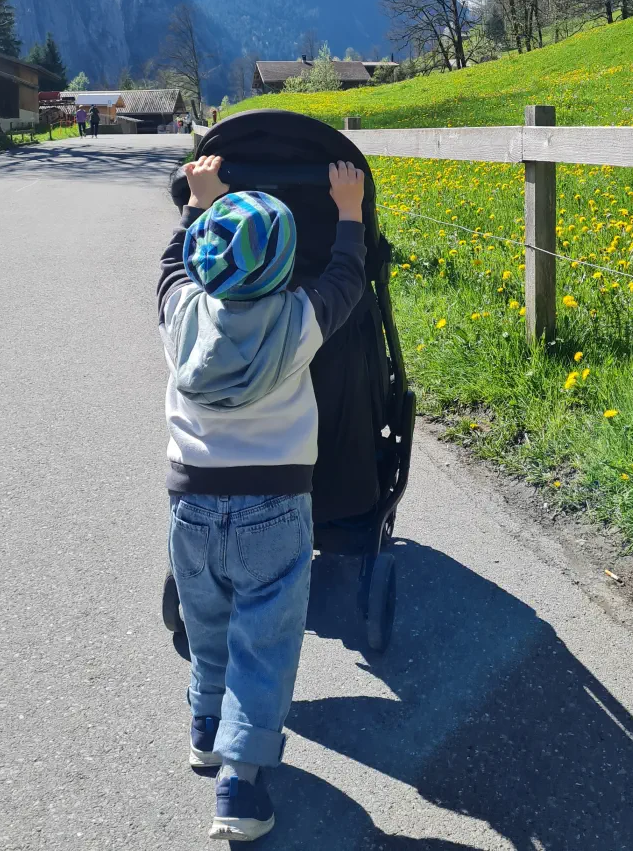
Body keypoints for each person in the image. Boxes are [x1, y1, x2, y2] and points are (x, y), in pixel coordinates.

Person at [157, 153, 366, 842]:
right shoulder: (297, 321)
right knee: (264, 643)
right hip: (274, 507)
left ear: (203, 263)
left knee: (209, 625)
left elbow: (169, 268)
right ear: (284, 271)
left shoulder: (183, 316)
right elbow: (345, 280)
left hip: (190, 505)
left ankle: (204, 727)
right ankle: (240, 786)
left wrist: (200, 203)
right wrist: (347, 214)